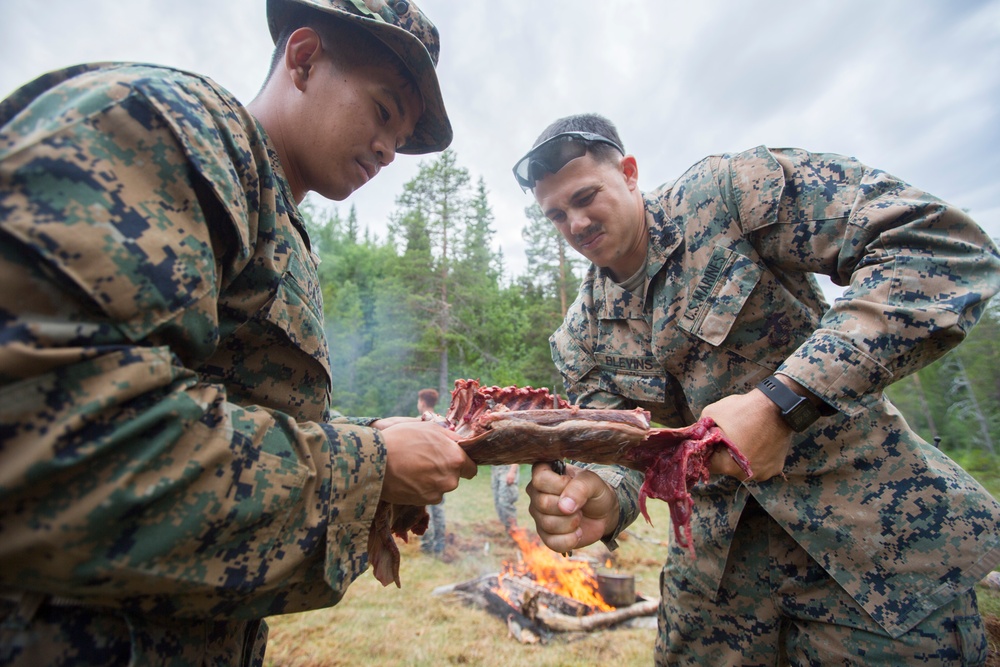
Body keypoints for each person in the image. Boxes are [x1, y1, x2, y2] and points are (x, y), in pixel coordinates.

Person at [0, 1, 478, 664]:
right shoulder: (175, 127)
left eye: (402, 134)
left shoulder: (271, 211)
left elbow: (229, 404)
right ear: (303, 59)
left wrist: (379, 447)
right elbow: (61, 438)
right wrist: (371, 464)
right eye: (383, 109)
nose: (390, 148)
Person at [515, 114, 1000, 665]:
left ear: (628, 173)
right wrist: (602, 495)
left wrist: (788, 399)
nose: (575, 224)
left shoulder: (728, 197)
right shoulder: (581, 334)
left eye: (585, 197)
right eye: (556, 215)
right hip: (716, 600)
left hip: (876, 558)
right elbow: (620, 448)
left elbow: (936, 246)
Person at [416, 388, 447, 558]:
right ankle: (440, 545)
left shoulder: (421, 422)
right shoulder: (442, 421)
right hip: (441, 473)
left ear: (422, 402)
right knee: (439, 510)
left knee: (424, 510)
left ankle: (427, 545)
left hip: (425, 473)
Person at [491, 464, 520, 535]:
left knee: (505, 501)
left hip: (508, 469)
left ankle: (513, 530)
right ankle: (506, 528)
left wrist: (512, 471)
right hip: (496, 468)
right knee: (497, 502)